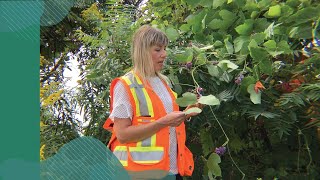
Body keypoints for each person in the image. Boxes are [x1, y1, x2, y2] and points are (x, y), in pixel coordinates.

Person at [103, 25, 199, 179]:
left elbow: (167, 122)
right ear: (143, 51)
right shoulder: (125, 85)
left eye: (165, 49)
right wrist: (162, 123)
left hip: (171, 171)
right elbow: (122, 135)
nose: (164, 54)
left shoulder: (163, 82)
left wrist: (186, 113)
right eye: (158, 49)